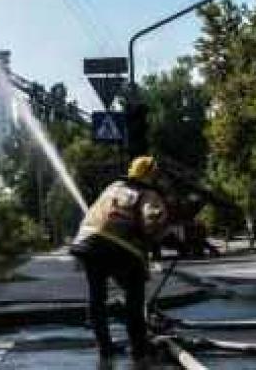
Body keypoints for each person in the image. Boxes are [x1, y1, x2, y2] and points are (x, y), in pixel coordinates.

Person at [70, 155, 168, 362]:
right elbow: (152, 220)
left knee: (97, 298)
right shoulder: (148, 193)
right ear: (151, 175)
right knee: (135, 295)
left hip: (88, 243)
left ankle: (104, 347)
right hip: (120, 247)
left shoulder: (113, 186)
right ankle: (139, 349)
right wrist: (164, 236)